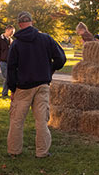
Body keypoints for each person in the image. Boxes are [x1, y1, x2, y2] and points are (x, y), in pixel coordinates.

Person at [7, 11, 66, 158]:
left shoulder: (16, 44)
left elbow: (11, 68)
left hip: (23, 87)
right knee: (41, 121)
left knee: (17, 120)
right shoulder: (46, 39)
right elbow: (61, 58)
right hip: (42, 85)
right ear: (32, 22)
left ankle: (14, 151)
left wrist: (12, 88)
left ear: (20, 25)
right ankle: (42, 152)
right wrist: (50, 70)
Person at [0, 25, 14, 97]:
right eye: (11, 32)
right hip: (3, 61)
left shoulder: (10, 40)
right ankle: (5, 93)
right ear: (7, 30)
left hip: (9, 62)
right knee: (7, 77)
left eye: (13, 32)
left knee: (9, 77)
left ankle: (5, 93)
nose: (12, 34)